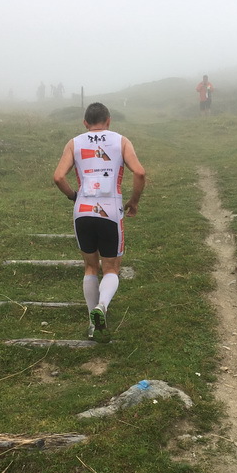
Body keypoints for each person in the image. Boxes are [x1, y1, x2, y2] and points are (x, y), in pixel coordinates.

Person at [53, 102, 146, 342]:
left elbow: (58, 177)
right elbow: (139, 172)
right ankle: (102, 306)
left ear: (85, 123)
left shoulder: (74, 143)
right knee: (111, 268)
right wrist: (134, 202)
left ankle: (92, 323)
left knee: (90, 267)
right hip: (110, 211)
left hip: (82, 211)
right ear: (109, 120)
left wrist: (74, 196)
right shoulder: (121, 141)